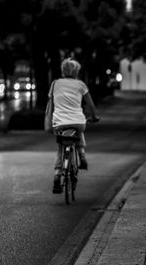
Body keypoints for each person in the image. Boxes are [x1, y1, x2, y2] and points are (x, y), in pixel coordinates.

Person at [48, 58, 99, 194]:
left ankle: (58, 174)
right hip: (78, 122)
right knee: (79, 132)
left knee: (61, 148)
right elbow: (91, 105)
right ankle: (82, 155)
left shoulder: (55, 84)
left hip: (59, 123)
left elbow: (51, 103)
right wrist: (93, 117)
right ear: (76, 71)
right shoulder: (81, 85)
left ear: (63, 71)